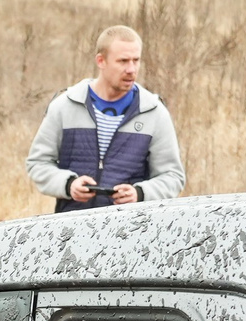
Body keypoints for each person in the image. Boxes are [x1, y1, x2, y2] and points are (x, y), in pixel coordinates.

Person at [25, 25, 186, 213]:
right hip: (70, 230)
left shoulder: (154, 113)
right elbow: (38, 164)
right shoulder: (64, 106)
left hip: (131, 231)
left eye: (136, 60)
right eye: (123, 61)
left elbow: (173, 177)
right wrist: (69, 185)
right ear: (101, 61)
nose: (131, 69)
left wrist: (140, 194)